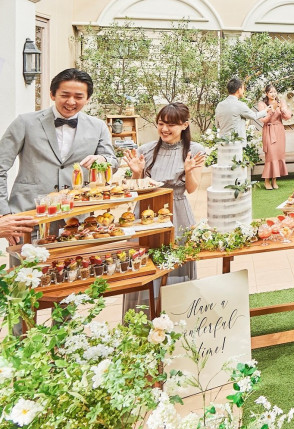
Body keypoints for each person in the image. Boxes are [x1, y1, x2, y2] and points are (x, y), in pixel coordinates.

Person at [123, 103, 206, 314]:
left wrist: (189, 171)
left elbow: (191, 189)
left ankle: (178, 316)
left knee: (176, 262)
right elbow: (137, 188)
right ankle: (142, 317)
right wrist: (137, 173)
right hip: (146, 212)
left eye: (171, 125)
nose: (164, 129)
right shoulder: (145, 150)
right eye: (161, 124)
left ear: (185, 125)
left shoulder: (195, 151)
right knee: (143, 262)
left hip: (177, 212)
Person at [0, 68, 117, 216]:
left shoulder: (98, 126)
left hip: (77, 215)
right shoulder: (25, 122)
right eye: (65, 95)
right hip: (29, 212)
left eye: (78, 97)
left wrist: (103, 160)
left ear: (87, 99)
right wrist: (3, 212)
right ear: (52, 94)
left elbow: (113, 162)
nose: (71, 102)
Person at [256, 84, 291, 190]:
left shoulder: (281, 102)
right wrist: (271, 110)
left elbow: (287, 117)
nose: (273, 94)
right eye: (271, 92)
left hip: (279, 130)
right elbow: (263, 120)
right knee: (270, 156)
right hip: (269, 130)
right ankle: (267, 181)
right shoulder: (262, 104)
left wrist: (282, 109)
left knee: (278, 155)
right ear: (266, 93)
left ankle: (274, 180)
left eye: (275, 91)